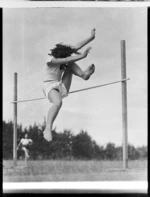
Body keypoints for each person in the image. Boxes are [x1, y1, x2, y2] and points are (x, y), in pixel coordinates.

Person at [43, 28, 96, 142]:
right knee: (58, 102)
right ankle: (48, 128)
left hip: (60, 85)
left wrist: (91, 38)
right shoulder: (50, 59)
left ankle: (83, 75)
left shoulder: (64, 58)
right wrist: (82, 56)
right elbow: (66, 58)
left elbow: (75, 47)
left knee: (70, 64)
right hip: (49, 86)